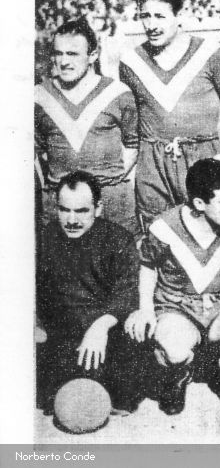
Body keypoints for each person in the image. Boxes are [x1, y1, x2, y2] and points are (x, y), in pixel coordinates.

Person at [124, 159, 220, 415]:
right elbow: (147, 265)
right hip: (178, 308)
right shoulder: (165, 227)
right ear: (199, 203)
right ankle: (180, 373)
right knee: (174, 348)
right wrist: (145, 309)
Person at [119, 0, 220, 231]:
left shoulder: (210, 53)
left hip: (202, 161)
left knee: (209, 234)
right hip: (153, 165)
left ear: (179, 16)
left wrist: (205, 143)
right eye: (145, 16)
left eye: (160, 16)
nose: (151, 25)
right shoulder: (131, 62)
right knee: (159, 235)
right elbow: (131, 126)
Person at [36, 171, 145, 415]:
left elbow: (127, 293)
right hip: (63, 335)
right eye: (64, 210)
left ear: (98, 208)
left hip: (104, 333)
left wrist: (100, 326)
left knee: (123, 390)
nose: (71, 220)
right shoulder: (45, 239)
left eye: (81, 211)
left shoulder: (118, 240)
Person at [35, 19, 138, 233]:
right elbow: (36, 152)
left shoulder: (118, 93)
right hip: (61, 206)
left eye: (72, 54)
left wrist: (107, 179)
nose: (64, 61)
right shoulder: (39, 96)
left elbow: (133, 144)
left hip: (111, 204)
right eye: (58, 53)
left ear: (92, 55)